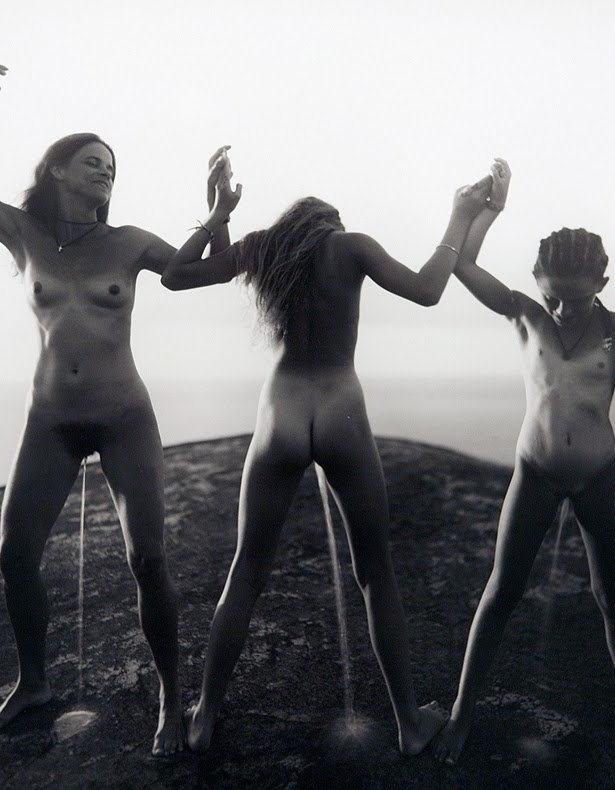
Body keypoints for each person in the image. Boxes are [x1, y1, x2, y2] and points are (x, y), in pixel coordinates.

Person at [0, 58, 236, 755]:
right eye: (93, 162)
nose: (106, 172)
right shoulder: (22, 233)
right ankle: (32, 683)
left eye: (112, 168)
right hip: (51, 421)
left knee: (147, 559)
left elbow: (203, 273)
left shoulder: (129, 243)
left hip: (123, 416)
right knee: (14, 555)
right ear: (58, 170)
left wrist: (217, 216)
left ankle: (171, 696)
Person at [165, 166, 492, 754]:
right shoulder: (351, 246)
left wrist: (218, 215)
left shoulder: (263, 249)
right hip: (340, 407)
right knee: (374, 571)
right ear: (327, 223)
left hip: (282, 411)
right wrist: (461, 215)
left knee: (247, 569)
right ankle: (408, 723)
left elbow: (175, 276)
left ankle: (204, 715)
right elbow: (428, 289)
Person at [431, 159, 615, 768]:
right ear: (537, 281)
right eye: (554, 297)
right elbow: (463, 266)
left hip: (599, 474)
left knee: (613, 596)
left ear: (603, 282)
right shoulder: (525, 314)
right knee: (502, 590)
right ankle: (462, 712)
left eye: (578, 299)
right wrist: (489, 211)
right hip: (536, 471)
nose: (564, 311)